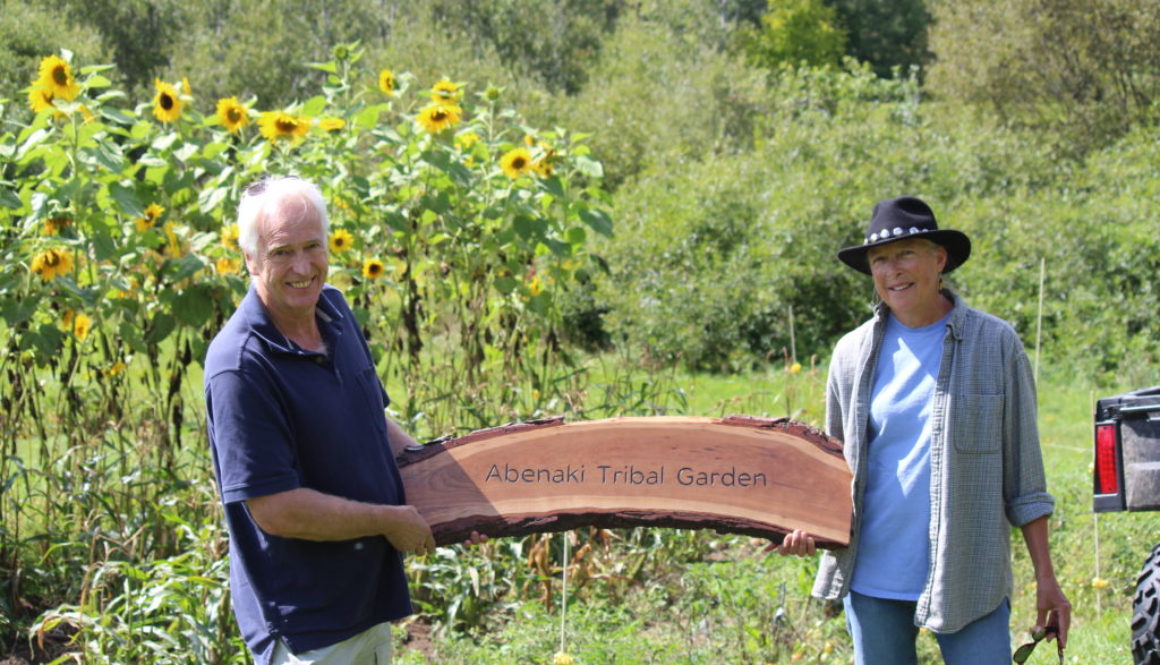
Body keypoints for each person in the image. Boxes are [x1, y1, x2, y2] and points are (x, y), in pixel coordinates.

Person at [776, 196, 1071, 664]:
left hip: (968, 577)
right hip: (872, 577)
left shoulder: (996, 344)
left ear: (940, 260)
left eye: (906, 253)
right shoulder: (851, 354)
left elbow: (1026, 481)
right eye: (880, 260)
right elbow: (832, 468)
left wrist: (1047, 580)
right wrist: (803, 524)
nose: (893, 270)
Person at [204, 176, 481, 665]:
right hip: (307, 625)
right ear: (249, 259)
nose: (303, 267)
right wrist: (387, 521)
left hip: (366, 601)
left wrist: (448, 499)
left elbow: (374, 423)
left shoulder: (332, 309)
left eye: (313, 246)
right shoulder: (240, 365)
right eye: (281, 252)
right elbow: (275, 509)